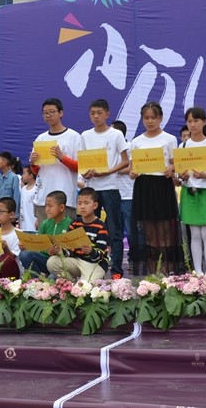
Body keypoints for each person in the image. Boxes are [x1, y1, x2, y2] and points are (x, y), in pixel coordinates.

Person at [129, 101, 183, 275]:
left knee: (165, 230)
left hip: (162, 186)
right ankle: (153, 274)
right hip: (143, 187)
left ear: (160, 118)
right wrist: (132, 173)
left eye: (153, 117)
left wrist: (172, 168)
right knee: (149, 232)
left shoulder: (169, 139)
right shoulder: (136, 141)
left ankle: (167, 272)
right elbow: (132, 169)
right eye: (146, 118)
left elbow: (177, 164)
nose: (150, 121)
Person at [80, 99, 130, 278]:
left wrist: (108, 171)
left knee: (115, 231)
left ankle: (116, 271)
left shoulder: (115, 134)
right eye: (92, 113)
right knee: (88, 230)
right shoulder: (85, 135)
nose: (96, 116)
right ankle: (90, 268)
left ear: (107, 114)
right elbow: (83, 162)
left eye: (99, 113)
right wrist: (86, 173)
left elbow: (125, 161)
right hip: (91, 188)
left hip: (110, 187)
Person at [178, 106, 206, 275]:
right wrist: (182, 176)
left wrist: (205, 175)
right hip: (190, 192)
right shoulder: (183, 146)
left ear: (204, 122)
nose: (192, 125)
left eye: (196, 121)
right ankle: (198, 272)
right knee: (194, 235)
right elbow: (180, 173)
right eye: (189, 121)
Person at [29, 98, 82, 223]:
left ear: (61, 113)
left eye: (52, 112)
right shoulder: (41, 138)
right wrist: (33, 163)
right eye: (45, 113)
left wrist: (62, 158)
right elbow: (36, 171)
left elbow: (80, 167)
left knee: (65, 234)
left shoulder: (74, 136)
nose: (48, 115)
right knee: (44, 234)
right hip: (43, 198)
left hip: (65, 197)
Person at [47, 188, 109, 281]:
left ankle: (88, 281)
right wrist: (59, 251)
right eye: (79, 203)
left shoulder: (101, 226)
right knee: (52, 262)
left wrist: (91, 251)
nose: (82, 206)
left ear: (95, 205)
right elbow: (69, 250)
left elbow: (101, 255)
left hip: (95, 264)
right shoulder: (74, 224)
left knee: (86, 287)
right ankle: (70, 284)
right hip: (77, 261)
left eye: (86, 203)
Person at [111, 120, 142, 274]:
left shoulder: (129, 147)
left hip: (129, 195)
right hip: (112, 193)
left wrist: (112, 170)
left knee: (132, 232)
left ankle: (135, 259)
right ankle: (114, 260)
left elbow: (133, 166)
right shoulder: (108, 149)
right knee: (114, 231)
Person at [18, 190, 72, 275]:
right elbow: (38, 246)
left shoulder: (70, 224)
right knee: (24, 254)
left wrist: (58, 251)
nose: (47, 209)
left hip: (60, 262)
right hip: (44, 259)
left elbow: (71, 251)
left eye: (50, 206)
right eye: (45, 206)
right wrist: (26, 246)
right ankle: (35, 281)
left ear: (61, 207)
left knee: (53, 277)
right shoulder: (45, 223)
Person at [0, 152, 21, 226]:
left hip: (8, 214)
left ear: (4, 162)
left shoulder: (14, 177)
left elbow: (16, 197)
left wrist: (15, 215)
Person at [18, 168, 39, 232]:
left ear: (31, 176)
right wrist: (19, 219)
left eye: (24, 173)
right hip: (24, 223)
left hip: (33, 221)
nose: (22, 176)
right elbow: (21, 205)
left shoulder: (37, 188)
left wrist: (38, 219)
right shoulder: (23, 189)